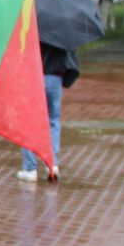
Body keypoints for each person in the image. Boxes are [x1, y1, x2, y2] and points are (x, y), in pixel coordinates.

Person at [16, 44, 77, 183]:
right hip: (55, 78)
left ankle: (30, 169)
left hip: (33, 76)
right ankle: (52, 164)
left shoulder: (32, 25)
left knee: (29, 122)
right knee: (53, 121)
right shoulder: (62, 29)